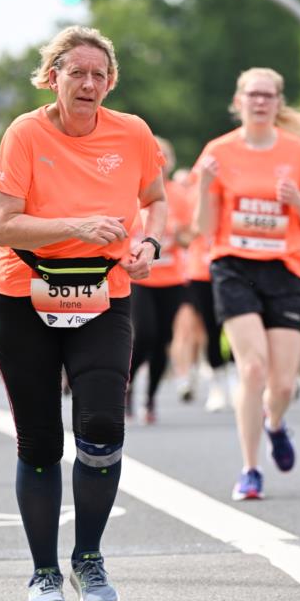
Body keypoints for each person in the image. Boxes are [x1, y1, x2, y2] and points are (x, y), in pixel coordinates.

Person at [0, 25, 167, 601]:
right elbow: (0, 227)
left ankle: (88, 558)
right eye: (76, 73)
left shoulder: (132, 133)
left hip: (103, 297)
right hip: (22, 298)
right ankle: (43, 574)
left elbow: (155, 199)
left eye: (99, 75)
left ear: (109, 82)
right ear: (52, 77)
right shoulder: (25, 134)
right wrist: (76, 226)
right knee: (40, 440)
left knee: (103, 429)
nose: (88, 84)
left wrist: (150, 243)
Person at [194, 66, 300, 500]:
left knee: (283, 384)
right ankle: (250, 469)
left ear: (278, 102)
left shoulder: (298, 151)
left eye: (269, 95)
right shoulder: (217, 151)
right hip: (234, 264)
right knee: (251, 368)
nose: (261, 102)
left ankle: (275, 423)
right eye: (253, 94)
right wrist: (205, 186)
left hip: (286, 268)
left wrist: (297, 199)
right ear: (239, 101)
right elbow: (203, 226)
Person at [127, 138, 194, 423]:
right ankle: (127, 386)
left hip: (172, 279)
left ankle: (151, 397)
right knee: (145, 333)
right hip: (139, 278)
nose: (161, 162)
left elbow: (191, 238)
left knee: (163, 339)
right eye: (156, 155)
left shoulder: (180, 195)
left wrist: (178, 233)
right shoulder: (130, 189)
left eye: (165, 156)